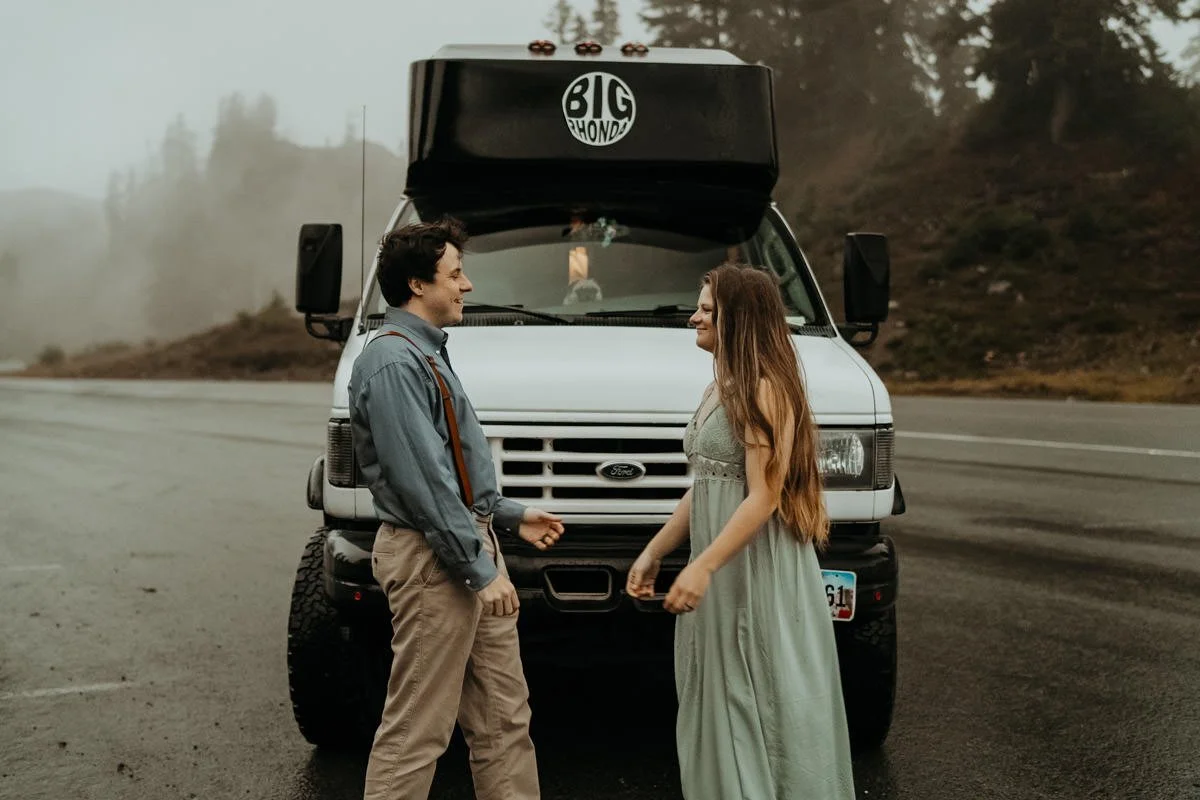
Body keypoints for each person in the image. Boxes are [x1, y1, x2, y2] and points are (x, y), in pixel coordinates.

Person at [348, 217, 565, 800]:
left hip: (463, 545)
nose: (466, 285)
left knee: (503, 721)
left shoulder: (426, 353)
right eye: (455, 273)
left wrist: (511, 513)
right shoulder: (392, 363)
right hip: (434, 559)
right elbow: (423, 482)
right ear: (418, 285)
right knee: (417, 729)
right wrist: (480, 568)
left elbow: (452, 464)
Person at [625, 263, 855, 799]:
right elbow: (708, 483)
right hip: (723, 565)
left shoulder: (764, 389)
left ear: (740, 320)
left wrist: (702, 566)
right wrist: (657, 551)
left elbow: (764, 495)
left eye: (707, 310)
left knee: (759, 692)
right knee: (721, 690)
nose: (693, 318)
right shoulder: (720, 384)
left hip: (753, 569)